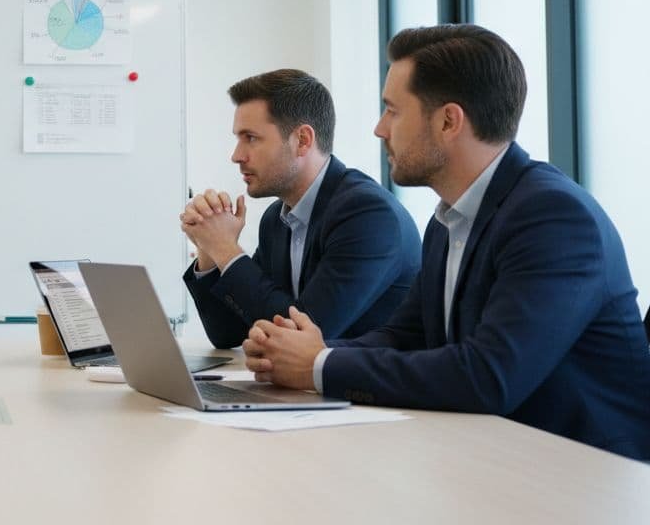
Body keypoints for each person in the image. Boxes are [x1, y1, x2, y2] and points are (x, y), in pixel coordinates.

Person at [243, 25, 650, 461]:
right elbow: (409, 335)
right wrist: (300, 352)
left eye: (392, 111)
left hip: (588, 476)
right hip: (495, 459)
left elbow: (490, 375)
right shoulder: (448, 219)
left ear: (448, 121)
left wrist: (319, 366)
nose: (380, 129)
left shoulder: (553, 217)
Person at [180, 69, 420, 348]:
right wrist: (209, 251)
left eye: (251, 138)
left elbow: (303, 334)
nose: (236, 156)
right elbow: (228, 334)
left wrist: (226, 250)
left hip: (360, 389)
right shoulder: (276, 218)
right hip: (303, 389)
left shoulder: (367, 214)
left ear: (303, 140)